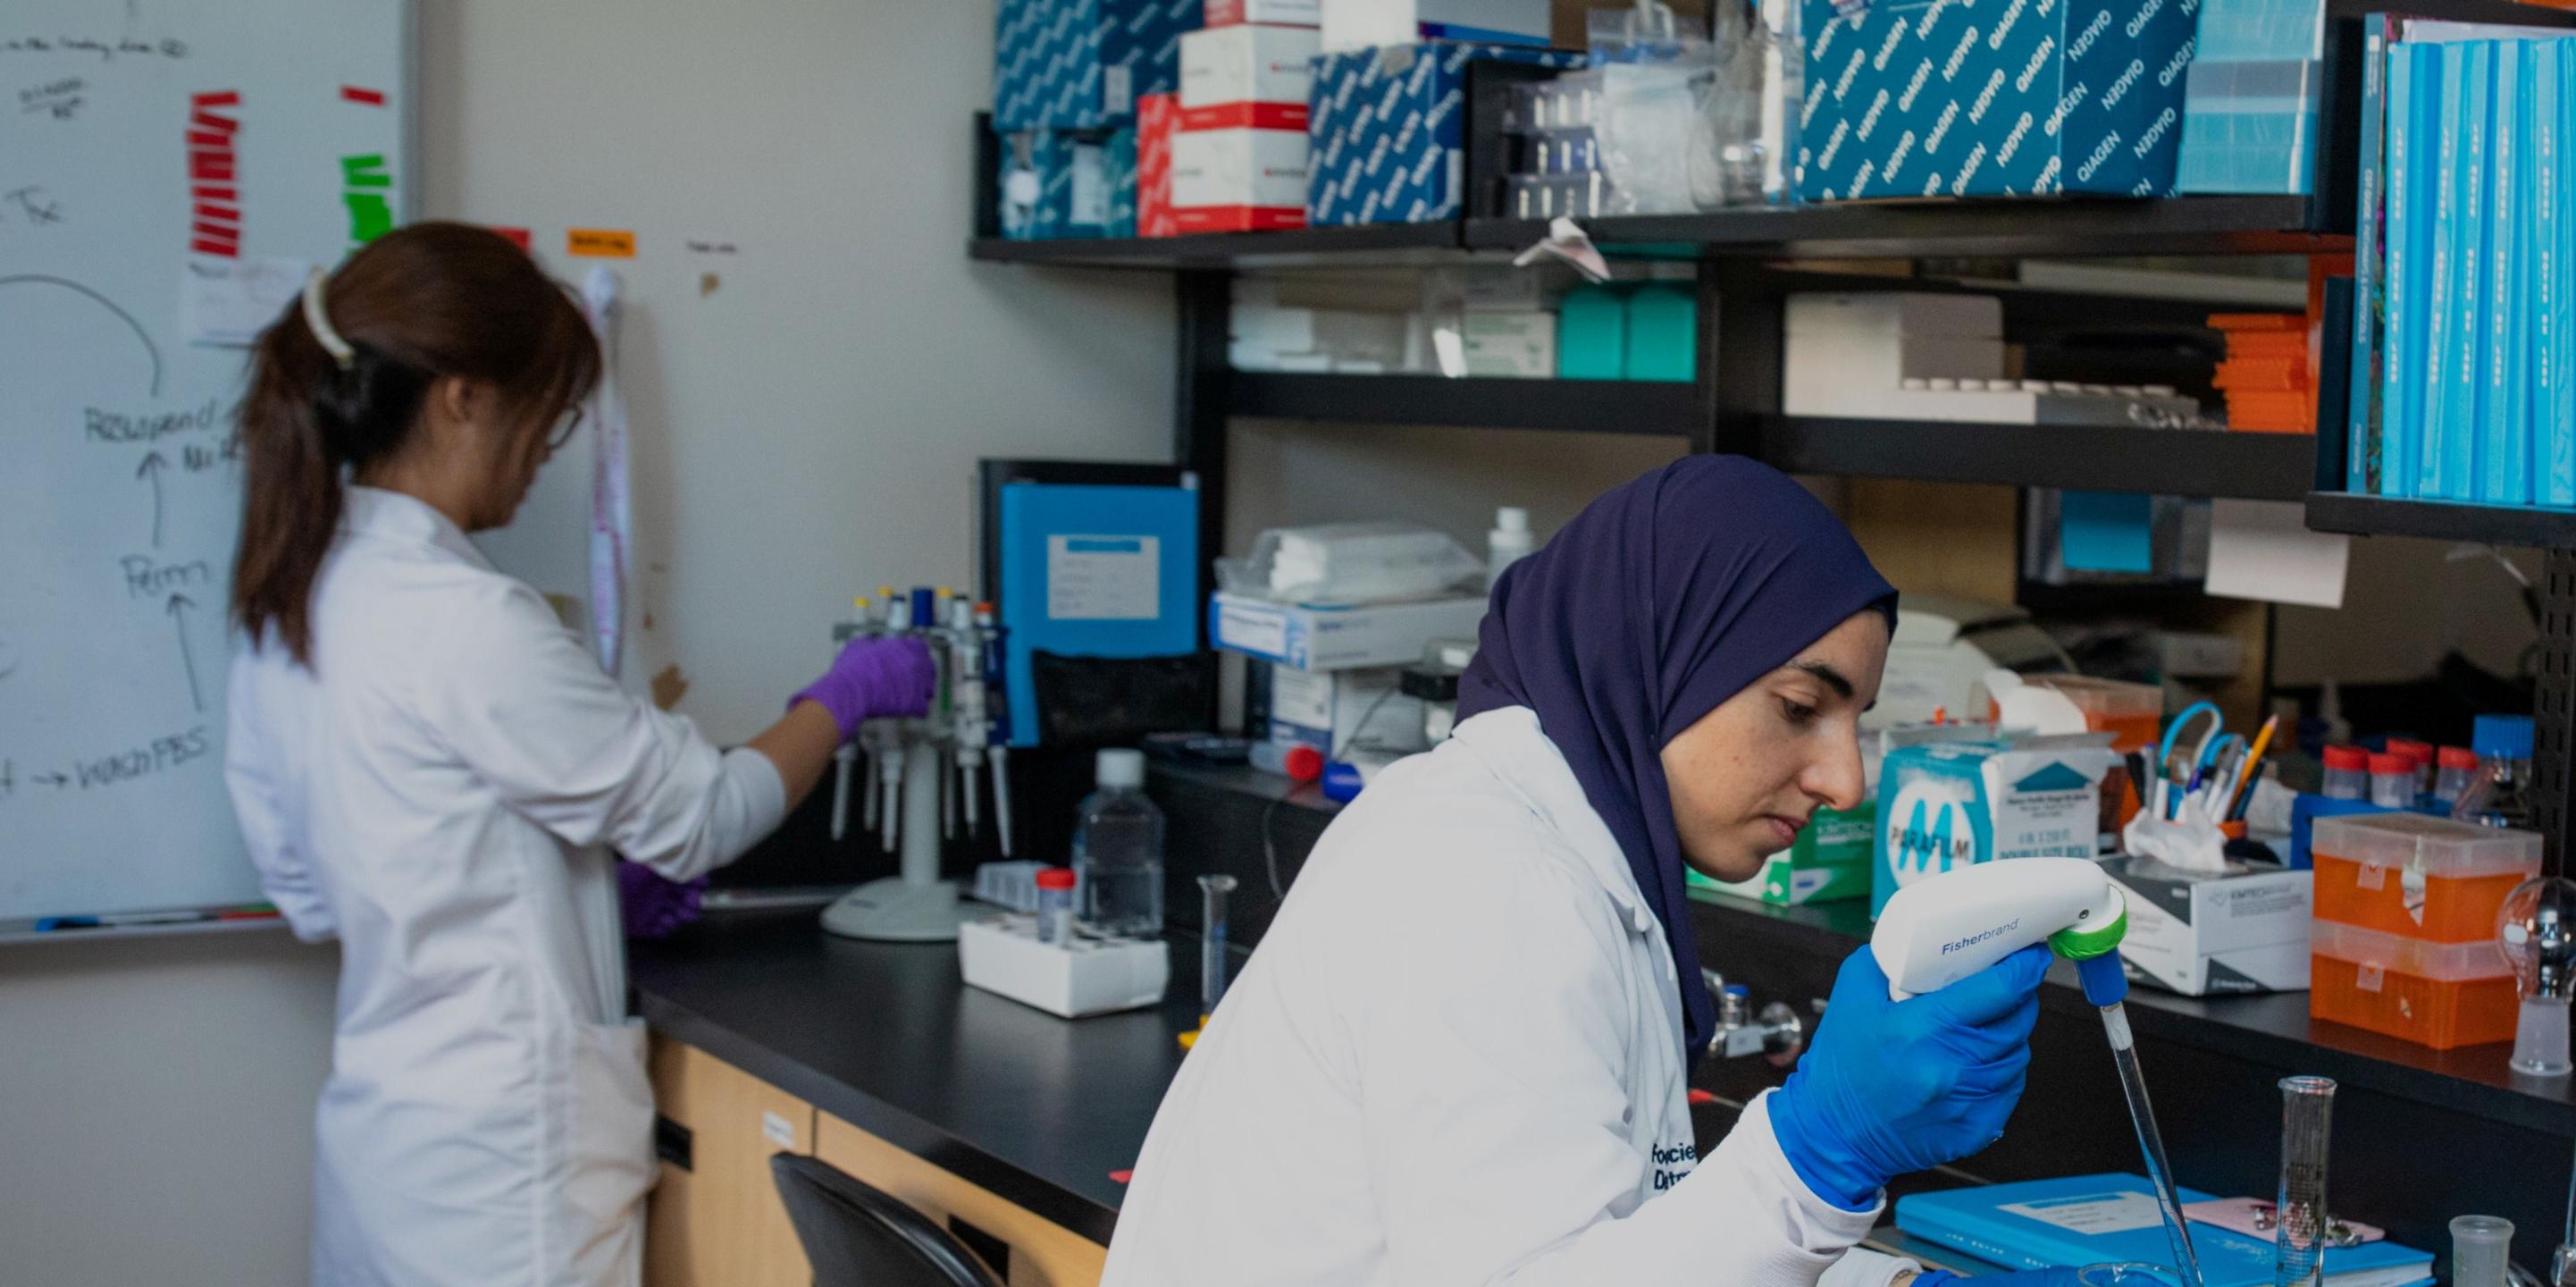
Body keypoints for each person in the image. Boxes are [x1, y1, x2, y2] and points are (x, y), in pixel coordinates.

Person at [1107, 457, 2090, 1285]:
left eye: (1856, 722)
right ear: (1657, 658)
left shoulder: (1543, 844)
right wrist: (1815, 1158)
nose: (1845, 780)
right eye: (1800, 708)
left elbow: (1585, 1243)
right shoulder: (1488, 883)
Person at [221, 222, 937, 1287]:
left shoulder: (290, 602)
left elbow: (310, 893)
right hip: (506, 1176)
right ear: (463, 397)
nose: (542, 457)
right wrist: (842, 697)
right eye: (547, 417)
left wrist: (568, 887)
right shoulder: (466, 621)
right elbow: (706, 814)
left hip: (386, 1151)